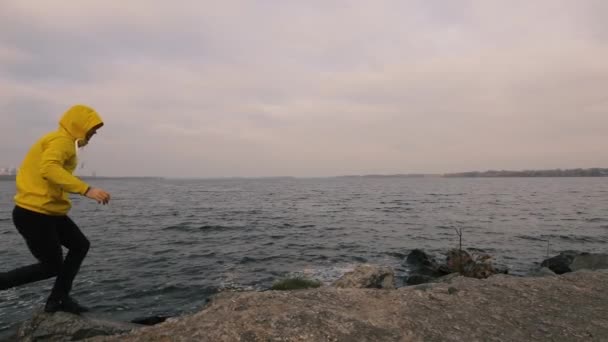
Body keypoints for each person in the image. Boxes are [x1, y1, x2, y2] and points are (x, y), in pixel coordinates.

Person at [0, 104, 111, 314]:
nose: (94, 133)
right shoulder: (62, 141)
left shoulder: (62, 141)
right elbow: (49, 168)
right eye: (92, 129)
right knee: (51, 266)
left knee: (80, 245)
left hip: (49, 212)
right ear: (79, 125)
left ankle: (59, 299)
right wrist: (86, 189)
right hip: (34, 213)